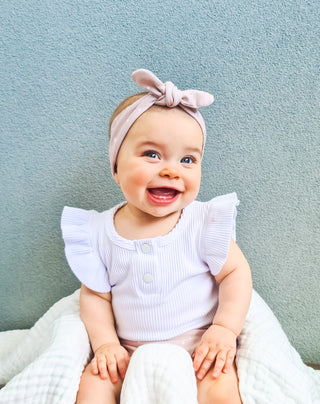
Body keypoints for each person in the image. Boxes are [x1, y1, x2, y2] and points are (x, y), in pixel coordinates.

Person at [61, 69, 252, 404]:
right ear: (116, 168)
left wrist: (223, 329)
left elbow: (236, 273)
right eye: (152, 154)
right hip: (129, 352)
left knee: (220, 388)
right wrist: (107, 344)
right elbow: (95, 297)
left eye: (188, 159)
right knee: (94, 384)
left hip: (199, 347)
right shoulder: (100, 232)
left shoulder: (201, 222)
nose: (171, 169)